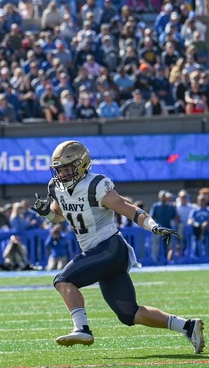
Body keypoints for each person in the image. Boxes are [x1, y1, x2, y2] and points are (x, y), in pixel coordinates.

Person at [30, 140, 203, 353]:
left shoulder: (95, 185)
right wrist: (46, 212)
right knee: (129, 314)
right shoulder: (56, 187)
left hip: (109, 248)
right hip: (99, 253)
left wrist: (153, 226)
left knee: (63, 280)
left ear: (81, 165)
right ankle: (188, 326)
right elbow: (58, 217)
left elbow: (127, 208)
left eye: (67, 168)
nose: (63, 174)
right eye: (59, 169)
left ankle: (81, 328)